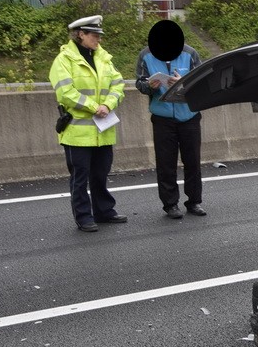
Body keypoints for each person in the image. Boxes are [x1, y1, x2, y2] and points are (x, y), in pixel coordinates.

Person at [49, 15, 127, 232]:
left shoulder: (104, 58)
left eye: (99, 35)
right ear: (80, 34)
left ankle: (104, 211)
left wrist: (109, 105)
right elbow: (65, 93)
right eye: (94, 35)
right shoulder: (63, 60)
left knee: (100, 174)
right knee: (80, 177)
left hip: (103, 129)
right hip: (77, 132)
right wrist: (95, 107)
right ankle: (83, 216)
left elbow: (118, 85)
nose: (98, 40)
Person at [135, 20, 205, 219]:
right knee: (166, 163)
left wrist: (183, 83)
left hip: (189, 115)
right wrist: (151, 86)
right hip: (162, 117)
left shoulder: (190, 54)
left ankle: (194, 201)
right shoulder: (145, 55)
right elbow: (139, 83)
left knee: (193, 161)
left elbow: (201, 81)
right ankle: (170, 204)